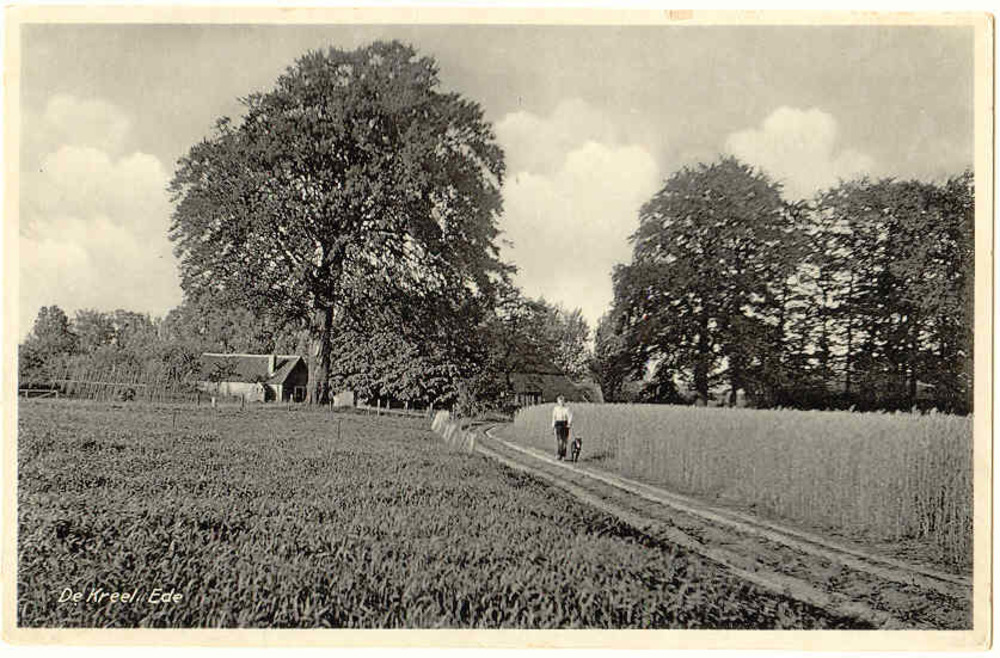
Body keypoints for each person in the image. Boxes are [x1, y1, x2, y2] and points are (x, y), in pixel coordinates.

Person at [551, 395, 573, 460]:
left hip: (565, 423)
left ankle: (563, 455)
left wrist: (569, 424)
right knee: (560, 440)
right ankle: (559, 454)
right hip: (558, 423)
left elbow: (570, 417)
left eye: (562, 401)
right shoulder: (555, 409)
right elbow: (554, 418)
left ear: (564, 401)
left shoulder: (567, 409)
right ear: (558, 402)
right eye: (559, 401)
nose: (561, 403)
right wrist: (552, 427)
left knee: (565, 440)